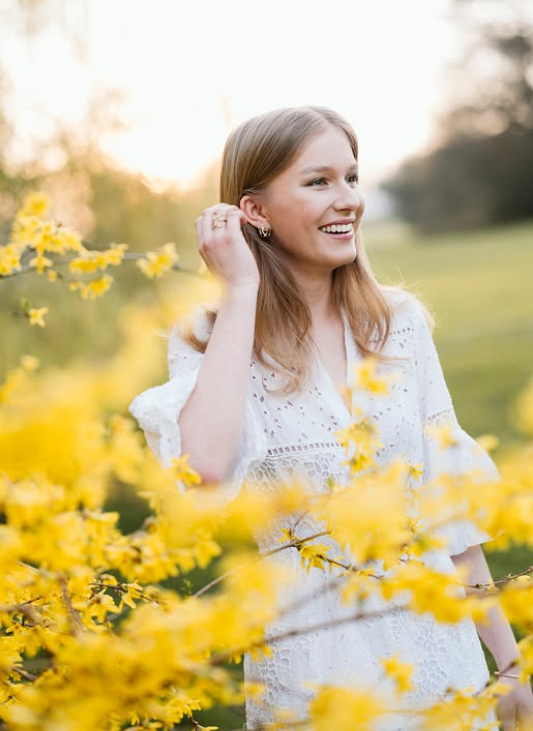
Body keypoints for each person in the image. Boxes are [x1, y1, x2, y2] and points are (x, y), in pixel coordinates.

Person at [128, 106, 533, 730]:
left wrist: (507, 665)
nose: (348, 200)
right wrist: (240, 294)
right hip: (313, 683)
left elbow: (446, 509)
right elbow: (205, 469)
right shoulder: (207, 341)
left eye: (351, 177)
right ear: (253, 212)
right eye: (318, 182)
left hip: (443, 672)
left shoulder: (397, 324)